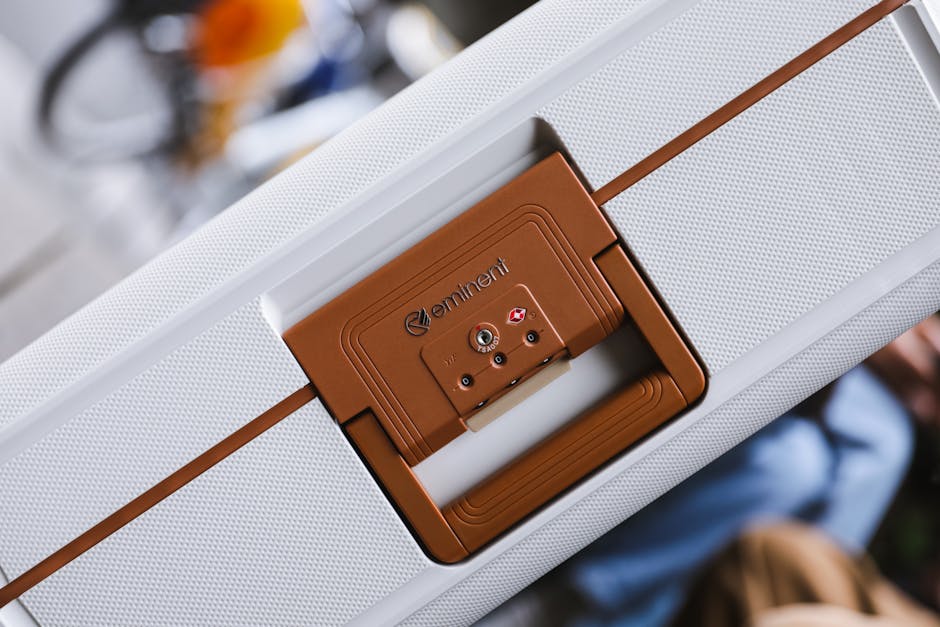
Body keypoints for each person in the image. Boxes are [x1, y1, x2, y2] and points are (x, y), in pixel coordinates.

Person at [479, 316, 940, 627]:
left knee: (808, 464)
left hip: (847, 404)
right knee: (814, 461)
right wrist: (884, 317)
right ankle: (586, 604)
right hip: (820, 339)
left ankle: (587, 601)